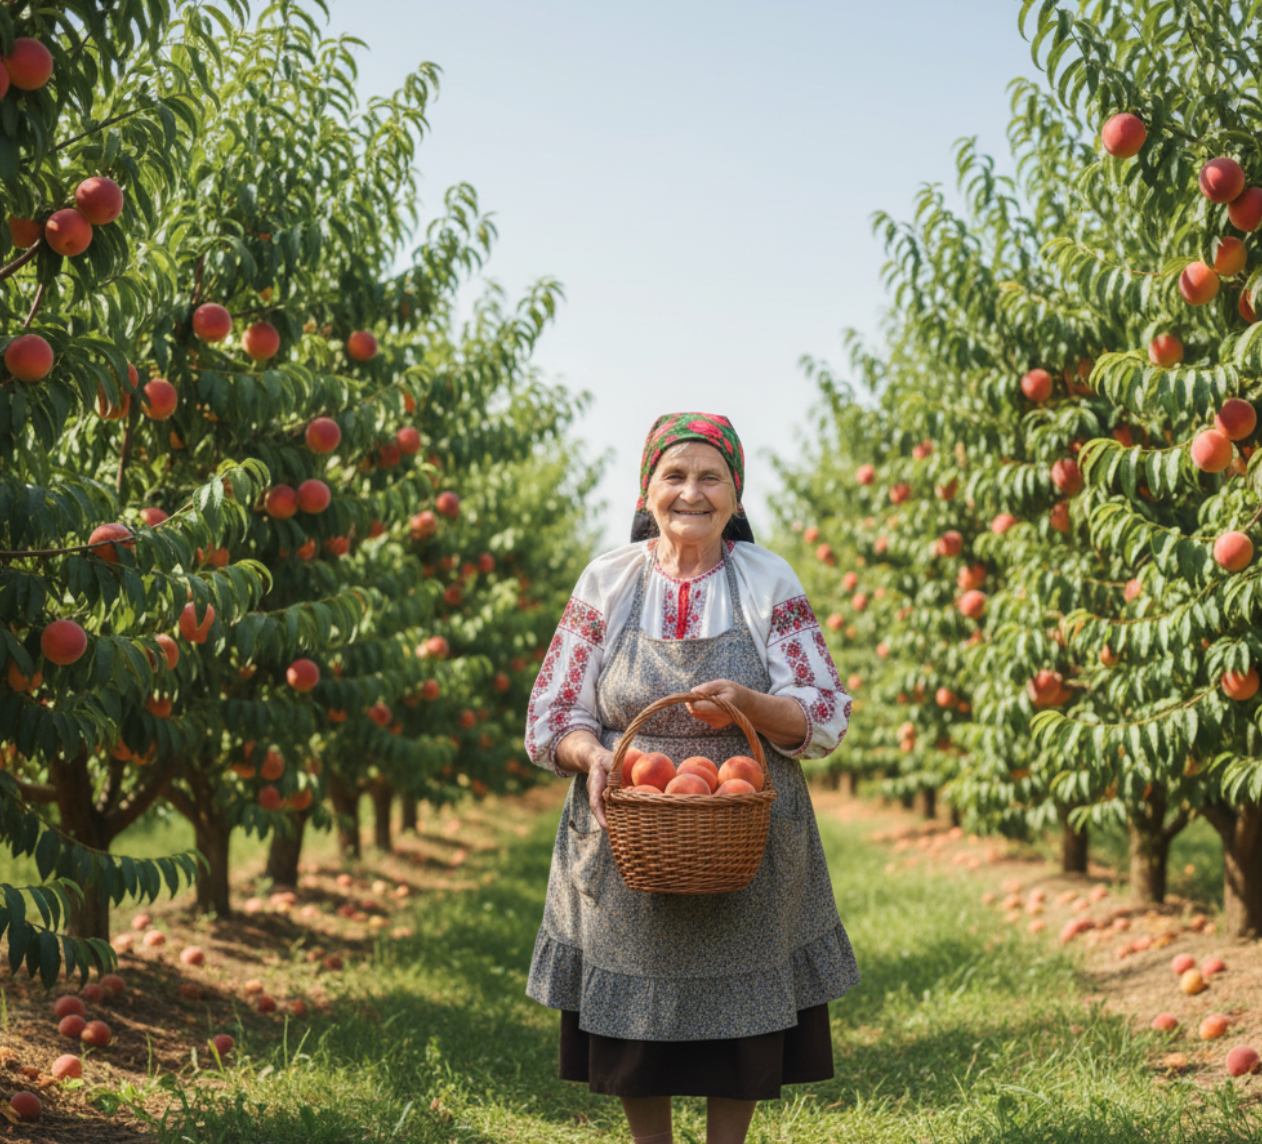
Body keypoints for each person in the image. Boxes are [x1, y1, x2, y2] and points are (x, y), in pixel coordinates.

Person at [523, 412, 859, 1144]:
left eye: (711, 477)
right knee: (637, 1021)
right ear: (647, 490)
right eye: (674, 475)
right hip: (630, 822)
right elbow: (552, 712)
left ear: (736, 494)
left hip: (742, 818)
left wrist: (750, 705)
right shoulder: (608, 579)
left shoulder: (767, 578)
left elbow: (824, 713)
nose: (692, 492)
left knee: (737, 1024)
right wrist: (591, 756)